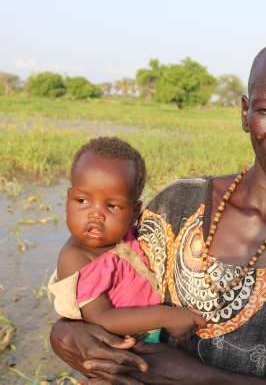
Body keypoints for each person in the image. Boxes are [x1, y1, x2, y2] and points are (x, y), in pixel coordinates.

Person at [50, 37, 266, 385]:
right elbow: (102, 283)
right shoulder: (177, 206)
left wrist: (199, 378)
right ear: (245, 113)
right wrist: (64, 333)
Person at [49, 137, 206, 344]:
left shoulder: (128, 236)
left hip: (153, 333)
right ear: (69, 199)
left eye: (112, 206)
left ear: (134, 212)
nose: (96, 214)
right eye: (82, 201)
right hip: (122, 348)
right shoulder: (76, 257)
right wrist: (168, 316)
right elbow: (100, 318)